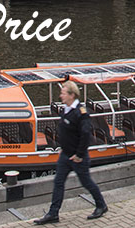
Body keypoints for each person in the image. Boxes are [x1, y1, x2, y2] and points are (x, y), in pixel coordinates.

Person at [34, 81, 108, 224]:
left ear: (72, 95)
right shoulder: (66, 110)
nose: (60, 95)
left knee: (86, 182)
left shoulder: (81, 113)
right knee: (58, 182)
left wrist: (79, 154)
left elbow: (86, 134)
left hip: (77, 157)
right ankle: (53, 213)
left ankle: (101, 205)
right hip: (66, 155)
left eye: (63, 92)